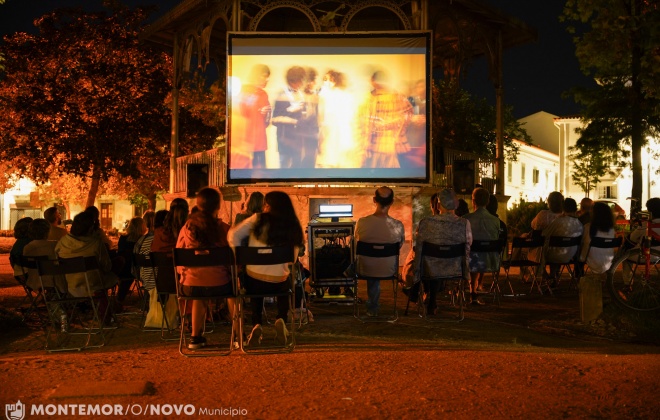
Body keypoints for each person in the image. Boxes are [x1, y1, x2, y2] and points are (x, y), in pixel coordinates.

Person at [227, 191, 304, 347]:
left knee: (255, 282)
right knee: (285, 279)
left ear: (267, 205)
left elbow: (233, 235)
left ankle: (257, 324)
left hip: (254, 282)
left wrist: (240, 254)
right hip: (279, 282)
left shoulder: (258, 219)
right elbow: (293, 259)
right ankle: (281, 319)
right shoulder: (293, 224)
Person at [176, 187, 235, 350]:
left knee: (199, 293)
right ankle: (238, 334)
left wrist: (183, 275)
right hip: (221, 284)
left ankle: (195, 337)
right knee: (233, 292)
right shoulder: (225, 229)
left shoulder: (187, 228)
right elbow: (234, 259)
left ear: (198, 204)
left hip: (190, 286)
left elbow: (178, 256)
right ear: (218, 206)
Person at [413, 189, 472, 315]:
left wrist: (416, 271)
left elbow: (419, 247)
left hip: (430, 270)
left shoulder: (426, 223)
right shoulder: (464, 224)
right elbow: (468, 246)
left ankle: (423, 294)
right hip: (455, 268)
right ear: (456, 205)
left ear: (438, 206)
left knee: (432, 260)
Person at [55, 211, 120, 324]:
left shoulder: (62, 242)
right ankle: (108, 313)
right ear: (90, 228)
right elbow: (107, 266)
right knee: (116, 266)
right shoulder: (96, 244)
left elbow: (56, 263)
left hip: (70, 286)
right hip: (94, 286)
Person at [354, 187, 405, 316]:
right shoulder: (398, 225)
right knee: (377, 260)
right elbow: (399, 246)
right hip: (389, 269)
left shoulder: (362, 222)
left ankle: (372, 308)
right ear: (392, 202)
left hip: (365, 269)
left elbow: (355, 245)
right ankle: (373, 307)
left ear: (374, 200)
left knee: (366, 261)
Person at [359, 70, 413, 168]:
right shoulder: (394, 95)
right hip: (385, 142)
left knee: (381, 169)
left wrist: (394, 126)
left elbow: (368, 124)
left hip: (383, 142)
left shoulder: (380, 98)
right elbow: (408, 112)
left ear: (375, 81)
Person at [316, 69, 360, 168]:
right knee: (336, 160)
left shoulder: (326, 93)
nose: (325, 81)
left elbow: (322, 115)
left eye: (327, 79)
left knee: (329, 159)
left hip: (333, 129)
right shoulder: (345, 94)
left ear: (333, 79)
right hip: (337, 130)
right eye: (324, 79)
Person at [463, 188, 500, 305]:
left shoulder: (466, 219)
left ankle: (471, 291)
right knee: (477, 252)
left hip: (471, 261)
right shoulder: (495, 221)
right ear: (487, 202)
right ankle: (475, 289)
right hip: (491, 260)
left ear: (473, 201)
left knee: (471, 252)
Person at [537, 197, 583, 283]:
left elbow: (544, 234)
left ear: (563, 208)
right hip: (570, 256)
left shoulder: (558, 221)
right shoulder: (579, 224)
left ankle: (546, 276)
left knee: (540, 251)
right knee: (556, 249)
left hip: (553, 255)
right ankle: (553, 276)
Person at [235, 64, 271, 169]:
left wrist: (266, 113)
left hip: (260, 136)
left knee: (261, 167)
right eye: (263, 76)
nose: (265, 79)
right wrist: (258, 109)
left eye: (267, 77)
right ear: (256, 75)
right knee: (248, 168)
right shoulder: (245, 90)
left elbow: (267, 117)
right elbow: (242, 111)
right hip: (247, 137)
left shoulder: (264, 93)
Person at [272, 66, 307, 168]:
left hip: (298, 138)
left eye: (301, 81)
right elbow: (274, 120)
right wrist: (290, 109)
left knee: (297, 168)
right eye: (299, 81)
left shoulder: (301, 94)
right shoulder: (281, 95)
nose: (300, 84)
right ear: (292, 80)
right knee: (284, 167)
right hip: (284, 138)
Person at [22, 218, 67, 292]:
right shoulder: (54, 245)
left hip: (34, 281)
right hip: (54, 281)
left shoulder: (27, 247)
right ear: (48, 231)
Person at [115, 216, 146, 310]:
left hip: (122, 269)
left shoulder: (123, 239)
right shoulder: (142, 239)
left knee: (127, 275)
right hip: (137, 269)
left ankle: (119, 300)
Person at [579, 201, 616, 274]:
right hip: (608, 261)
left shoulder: (588, 227)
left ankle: (579, 277)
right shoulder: (612, 230)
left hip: (591, 259)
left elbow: (582, 242)